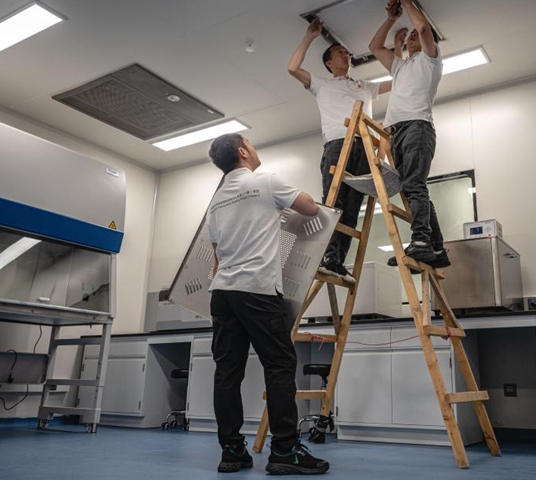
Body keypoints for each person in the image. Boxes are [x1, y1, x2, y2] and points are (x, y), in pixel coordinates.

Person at [206, 133, 330, 475]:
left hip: (223, 293)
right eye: (251, 143)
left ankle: (232, 452)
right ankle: (285, 451)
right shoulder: (265, 181)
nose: (254, 148)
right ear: (243, 152)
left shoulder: (215, 201)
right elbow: (310, 208)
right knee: (279, 365)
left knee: (227, 372)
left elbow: (216, 258)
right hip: (258, 290)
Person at [288, 18, 392, 283]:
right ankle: (326, 257)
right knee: (334, 203)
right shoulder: (321, 85)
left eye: (347, 52)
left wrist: (400, 50)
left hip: (364, 147)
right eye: (339, 52)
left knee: (353, 208)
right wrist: (310, 36)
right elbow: (292, 68)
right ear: (329, 63)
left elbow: (399, 80)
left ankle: (336, 260)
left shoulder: (365, 86)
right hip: (337, 143)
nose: (346, 55)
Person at [369, 0, 450, 269]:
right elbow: (374, 47)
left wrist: (405, 2)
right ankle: (436, 248)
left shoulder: (431, 60)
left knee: (415, 186)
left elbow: (424, 28)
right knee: (412, 188)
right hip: (397, 133)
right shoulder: (399, 67)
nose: (414, 34)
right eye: (410, 34)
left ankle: (421, 241)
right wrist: (391, 20)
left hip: (417, 127)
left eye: (417, 34)